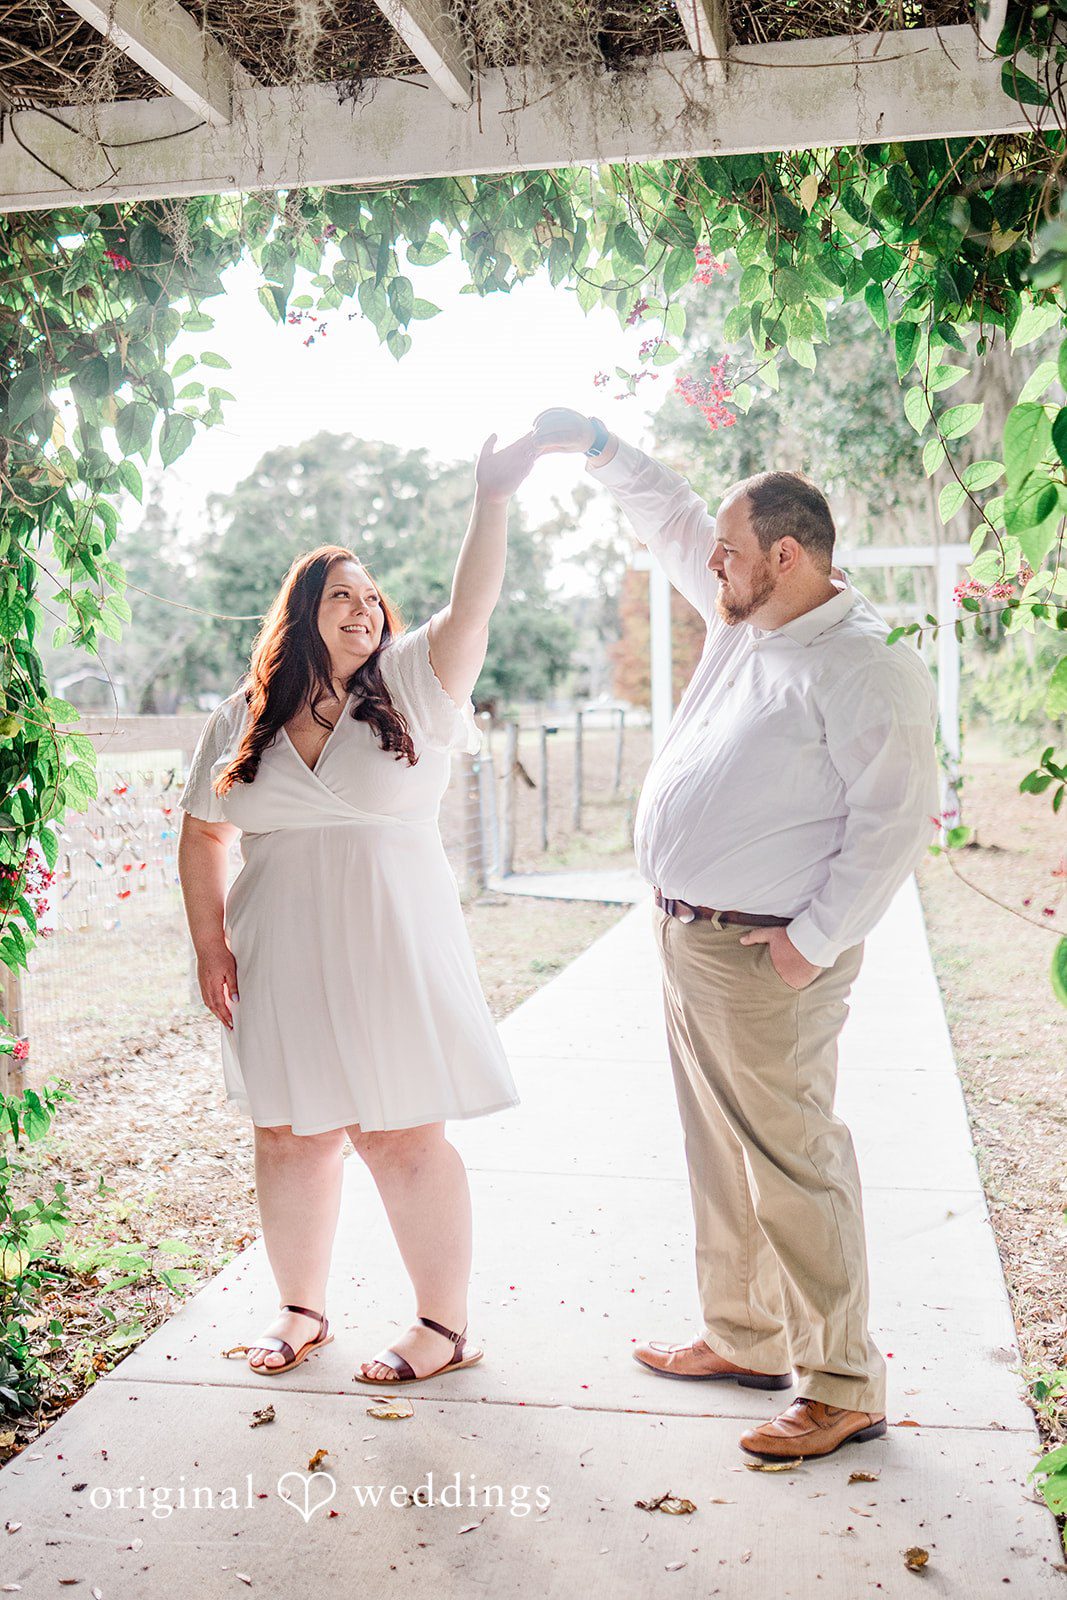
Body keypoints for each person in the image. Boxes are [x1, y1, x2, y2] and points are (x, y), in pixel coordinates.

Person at [531, 408, 940, 1461]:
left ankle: (843, 1381)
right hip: (687, 940)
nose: (708, 562)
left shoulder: (863, 662)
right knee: (717, 1152)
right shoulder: (742, 618)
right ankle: (745, 1335)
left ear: (785, 556)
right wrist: (594, 446)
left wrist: (811, 940)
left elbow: (891, 822)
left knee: (792, 1161)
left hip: (770, 957)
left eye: (730, 550)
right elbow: (668, 517)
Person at [176, 431, 538, 1385]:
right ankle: (300, 1311)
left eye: (372, 592)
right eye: (341, 591)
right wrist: (210, 945)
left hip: (391, 948)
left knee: (399, 1133)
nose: (366, 604)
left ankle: (442, 1326)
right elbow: (205, 833)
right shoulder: (243, 714)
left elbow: (476, 602)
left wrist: (489, 498)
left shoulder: (415, 684)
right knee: (289, 1133)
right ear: (301, 615)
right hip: (277, 953)